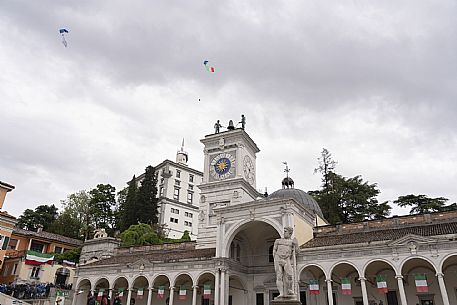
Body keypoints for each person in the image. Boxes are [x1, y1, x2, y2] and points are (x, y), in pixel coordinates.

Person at [273, 227, 299, 298]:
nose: (284, 233)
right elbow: (274, 249)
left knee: (290, 276)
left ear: (290, 233)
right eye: (284, 231)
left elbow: (297, 251)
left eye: (285, 231)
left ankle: (290, 290)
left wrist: (296, 244)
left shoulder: (292, 242)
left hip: (287, 259)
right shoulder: (278, 241)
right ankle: (281, 293)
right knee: (279, 276)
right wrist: (275, 258)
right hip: (278, 258)